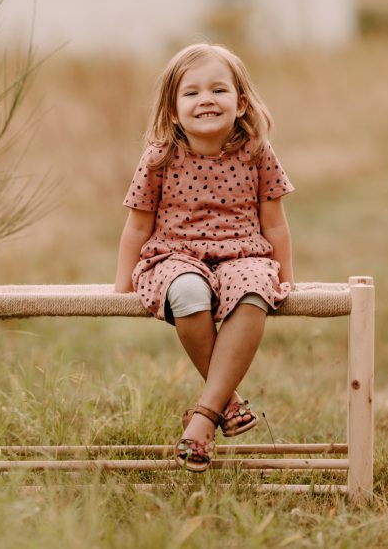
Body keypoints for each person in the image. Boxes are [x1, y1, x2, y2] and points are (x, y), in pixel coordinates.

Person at [114, 42, 295, 472]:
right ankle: (225, 403)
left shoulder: (257, 152)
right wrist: (121, 285)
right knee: (189, 292)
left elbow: (275, 224)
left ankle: (203, 417)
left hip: (243, 254)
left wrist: (287, 278)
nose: (206, 100)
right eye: (191, 93)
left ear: (241, 102)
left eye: (218, 90)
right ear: (174, 110)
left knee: (254, 291)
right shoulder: (159, 158)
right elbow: (137, 226)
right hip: (174, 257)